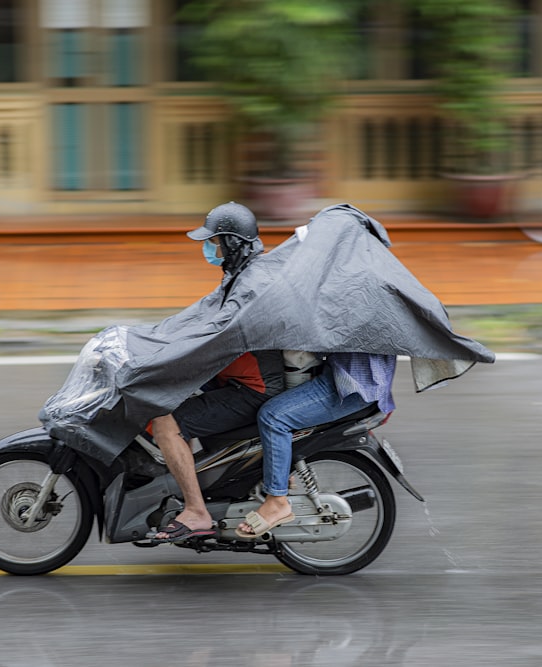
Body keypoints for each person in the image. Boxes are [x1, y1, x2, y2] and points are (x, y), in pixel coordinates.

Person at [151, 202, 286, 543]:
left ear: (232, 244)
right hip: (234, 377)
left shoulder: (251, 283)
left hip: (253, 388)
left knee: (166, 422)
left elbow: (218, 336)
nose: (208, 249)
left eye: (214, 242)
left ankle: (196, 511)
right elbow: (201, 316)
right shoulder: (240, 274)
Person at [235, 352, 397, 538]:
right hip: (359, 378)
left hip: (350, 385)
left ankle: (277, 500)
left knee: (273, 418)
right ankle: (277, 471)